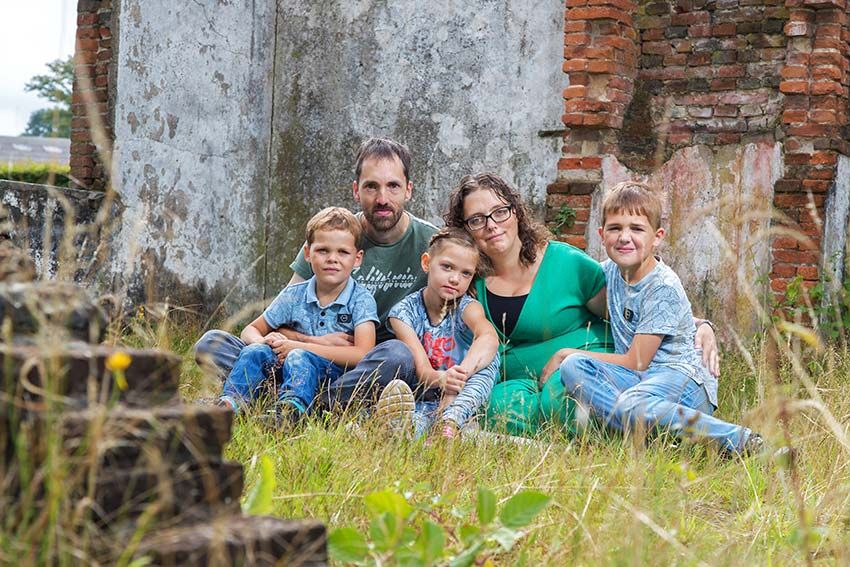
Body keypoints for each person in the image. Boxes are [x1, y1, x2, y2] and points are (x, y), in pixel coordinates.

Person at [444, 173, 719, 437]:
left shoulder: (567, 263)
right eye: (477, 219)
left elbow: (635, 307)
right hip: (521, 380)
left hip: (581, 365)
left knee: (560, 400)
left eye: (500, 212)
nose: (491, 225)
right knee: (495, 406)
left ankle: (617, 431)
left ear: (515, 212)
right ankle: (586, 432)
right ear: (465, 229)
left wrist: (699, 325)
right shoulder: (467, 278)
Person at [194, 138, 438, 410]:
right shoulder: (333, 236)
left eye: (393, 186)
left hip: (363, 365)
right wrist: (308, 342)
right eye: (371, 186)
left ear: (408, 190)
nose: (382, 199)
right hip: (302, 356)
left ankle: (308, 401)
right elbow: (284, 313)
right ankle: (303, 398)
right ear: (356, 191)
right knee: (212, 344)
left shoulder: (431, 244)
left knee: (398, 355)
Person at [551, 181, 761, 454]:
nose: (624, 237)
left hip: (682, 382)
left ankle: (742, 441)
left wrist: (565, 352)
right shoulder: (609, 272)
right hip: (637, 382)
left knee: (628, 400)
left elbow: (636, 361)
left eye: (637, 229)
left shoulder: (662, 285)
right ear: (601, 235)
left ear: (657, 237)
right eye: (615, 228)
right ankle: (652, 435)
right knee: (574, 368)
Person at [218, 207, 378, 424]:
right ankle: (231, 404)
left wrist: (298, 346)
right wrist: (263, 341)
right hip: (283, 366)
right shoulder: (294, 295)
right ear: (307, 253)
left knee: (299, 357)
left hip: (331, 377)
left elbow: (363, 353)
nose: (332, 259)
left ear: (357, 258)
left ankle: (290, 412)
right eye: (323, 251)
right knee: (253, 351)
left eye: (343, 252)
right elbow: (250, 330)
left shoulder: (361, 299)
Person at [376, 228, 500, 439]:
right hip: (427, 391)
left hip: (465, 392)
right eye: (447, 267)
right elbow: (423, 371)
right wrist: (443, 380)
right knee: (416, 421)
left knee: (489, 359)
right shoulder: (403, 313)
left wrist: (457, 380)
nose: (455, 279)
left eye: (466, 273)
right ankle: (405, 429)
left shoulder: (467, 307)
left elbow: (489, 337)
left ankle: (450, 423)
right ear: (427, 263)